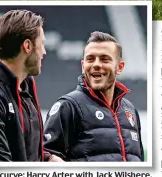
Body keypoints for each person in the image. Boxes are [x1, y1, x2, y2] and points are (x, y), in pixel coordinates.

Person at [0, 9, 60, 162]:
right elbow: (2, 170)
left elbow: (26, 153)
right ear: (27, 46)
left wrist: (48, 159)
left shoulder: (25, 87)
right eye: (42, 44)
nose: (44, 52)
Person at [43, 31, 144, 162]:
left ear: (119, 67)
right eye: (90, 59)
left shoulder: (130, 110)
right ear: (83, 65)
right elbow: (45, 157)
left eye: (104, 59)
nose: (96, 64)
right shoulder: (68, 106)